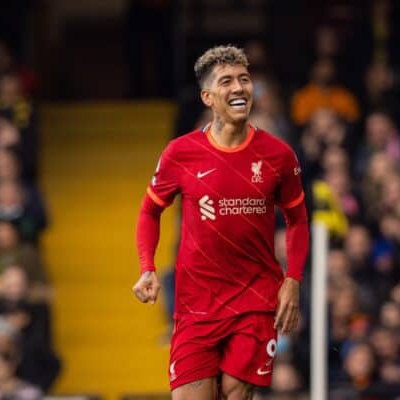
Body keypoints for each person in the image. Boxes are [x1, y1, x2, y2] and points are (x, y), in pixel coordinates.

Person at [132, 45, 309, 400]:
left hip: (255, 300)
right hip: (196, 305)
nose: (239, 87)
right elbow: (150, 211)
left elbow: (298, 220)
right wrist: (147, 267)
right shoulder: (180, 154)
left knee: (234, 393)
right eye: (226, 81)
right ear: (208, 97)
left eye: (244, 79)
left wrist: (293, 279)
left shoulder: (278, 155)